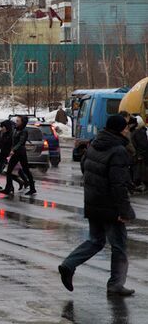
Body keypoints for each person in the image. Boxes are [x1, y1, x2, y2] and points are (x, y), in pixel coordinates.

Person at [59, 115, 136, 296]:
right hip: (110, 206)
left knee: (96, 240)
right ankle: (116, 284)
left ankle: (68, 265)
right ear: (119, 129)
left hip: (93, 202)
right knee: (119, 246)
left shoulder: (94, 144)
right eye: (125, 128)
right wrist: (124, 210)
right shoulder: (118, 150)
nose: (128, 130)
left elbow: (85, 167)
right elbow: (118, 184)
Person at [1, 116, 36, 196]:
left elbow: (21, 142)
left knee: (26, 170)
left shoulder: (24, 131)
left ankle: (32, 188)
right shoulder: (15, 130)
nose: (16, 122)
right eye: (16, 121)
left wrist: (13, 150)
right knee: (9, 171)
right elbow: (12, 141)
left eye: (18, 121)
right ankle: (8, 188)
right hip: (15, 152)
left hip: (21, 152)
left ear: (22, 122)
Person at [131, 116, 148, 189]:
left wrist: (140, 154)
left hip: (140, 155)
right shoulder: (141, 131)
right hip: (140, 155)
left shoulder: (138, 132)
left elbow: (142, 145)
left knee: (141, 170)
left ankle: (141, 184)